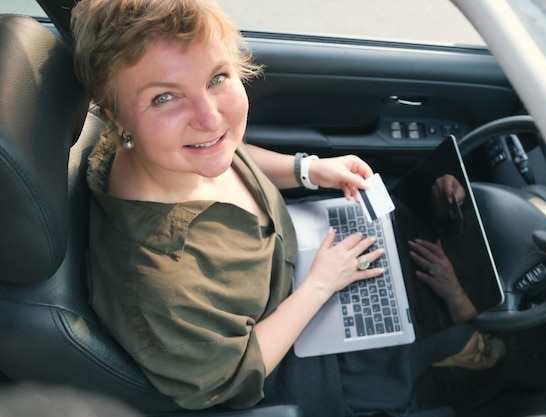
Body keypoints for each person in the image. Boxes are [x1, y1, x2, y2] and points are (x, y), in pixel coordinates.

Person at [71, 1, 499, 415]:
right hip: (314, 367)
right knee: (450, 327)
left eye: (217, 77)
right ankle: (474, 350)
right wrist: (320, 285)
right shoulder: (158, 282)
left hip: (302, 267)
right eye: (165, 97)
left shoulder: (164, 151)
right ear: (116, 114)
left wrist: (308, 170)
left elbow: (228, 152)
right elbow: (230, 380)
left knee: (408, 229)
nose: (210, 117)